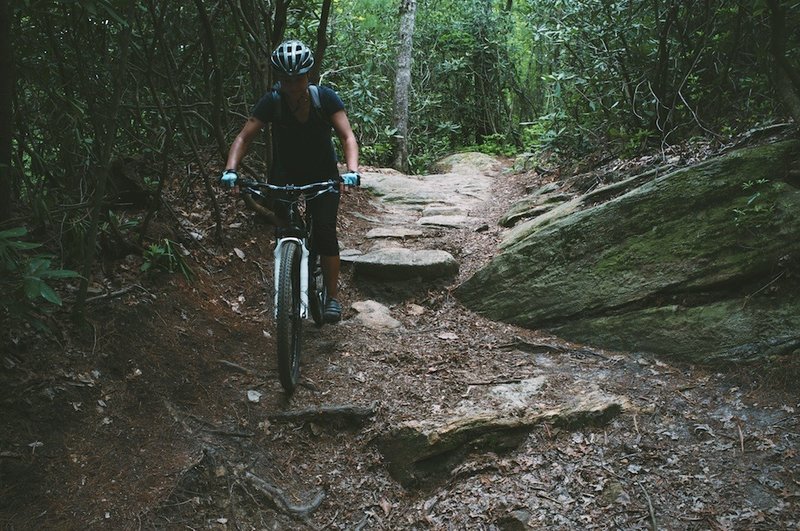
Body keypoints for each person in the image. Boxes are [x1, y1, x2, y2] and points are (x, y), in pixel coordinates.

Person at [220, 40, 360, 323]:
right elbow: (243, 137)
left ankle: (331, 297)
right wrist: (231, 170)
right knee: (284, 225)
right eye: (286, 79)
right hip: (285, 174)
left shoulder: (325, 98)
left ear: (308, 75)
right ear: (279, 79)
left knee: (324, 230)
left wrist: (351, 171)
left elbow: (347, 136)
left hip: (323, 173)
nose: (293, 85)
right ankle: (288, 282)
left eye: (298, 78)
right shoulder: (272, 101)